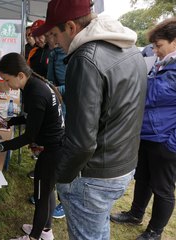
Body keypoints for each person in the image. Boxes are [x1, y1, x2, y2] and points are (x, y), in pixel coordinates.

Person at [32, 0, 147, 239]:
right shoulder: (129, 48)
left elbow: (82, 143)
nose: (53, 43)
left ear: (71, 28)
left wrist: (61, 178)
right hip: (122, 165)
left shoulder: (85, 59)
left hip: (94, 175)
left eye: (55, 34)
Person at [0, 53, 64, 240]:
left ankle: (34, 237)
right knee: (47, 189)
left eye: (8, 80)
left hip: (54, 150)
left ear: (20, 75)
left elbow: (29, 136)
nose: (7, 85)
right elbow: (31, 118)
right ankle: (46, 230)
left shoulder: (35, 92)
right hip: (55, 147)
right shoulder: (34, 85)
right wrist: (9, 122)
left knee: (42, 194)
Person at [111, 18, 176, 240]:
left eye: (159, 46)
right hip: (147, 134)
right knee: (143, 178)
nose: (155, 51)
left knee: (163, 188)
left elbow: (152, 95)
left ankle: (154, 231)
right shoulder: (162, 64)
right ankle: (135, 213)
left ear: (174, 42)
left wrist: (171, 144)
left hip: (165, 140)